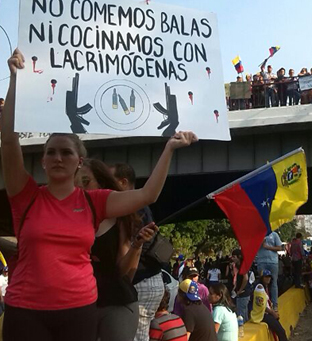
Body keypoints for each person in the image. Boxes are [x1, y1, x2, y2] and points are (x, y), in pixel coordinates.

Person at [0, 49, 197, 341]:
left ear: (79, 161)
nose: (57, 157)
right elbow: (8, 140)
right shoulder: (25, 195)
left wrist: (169, 148)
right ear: (42, 160)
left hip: (79, 311)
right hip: (25, 310)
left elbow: (147, 195)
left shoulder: (95, 201)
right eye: (50, 152)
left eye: (66, 152)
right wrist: (15, 80)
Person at [81, 159, 156, 341]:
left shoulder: (121, 218)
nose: (79, 188)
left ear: (102, 184)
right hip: (78, 304)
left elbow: (124, 274)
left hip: (116, 301)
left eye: (85, 182)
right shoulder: (64, 217)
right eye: (74, 183)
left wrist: (136, 245)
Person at [110, 163, 167, 341]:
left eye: (108, 181)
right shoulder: (141, 207)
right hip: (153, 280)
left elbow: (126, 250)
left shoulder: (130, 208)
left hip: (140, 281)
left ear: (123, 182)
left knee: (133, 335)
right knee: (140, 335)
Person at [250, 270, 288, 341]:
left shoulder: (266, 287)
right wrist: (272, 313)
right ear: (262, 278)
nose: (268, 278)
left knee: (280, 331)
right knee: (281, 332)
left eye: (269, 277)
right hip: (262, 315)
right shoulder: (259, 288)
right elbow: (261, 306)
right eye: (266, 277)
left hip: (266, 313)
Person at [256, 231, 284, 311]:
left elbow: (280, 247)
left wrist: (267, 247)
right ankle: (263, 304)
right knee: (261, 283)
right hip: (261, 261)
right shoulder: (259, 234)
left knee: (273, 283)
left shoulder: (274, 234)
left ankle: (275, 304)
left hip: (273, 262)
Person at [230, 249, 252, 322]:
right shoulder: (237, 266)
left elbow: (245, 278)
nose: (232, 258)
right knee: (244, 313)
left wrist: (239, 290)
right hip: (242, 293)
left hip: (243, 293)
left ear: (239, 257)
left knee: (241, 315)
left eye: (234, 257)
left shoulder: (243, 265)